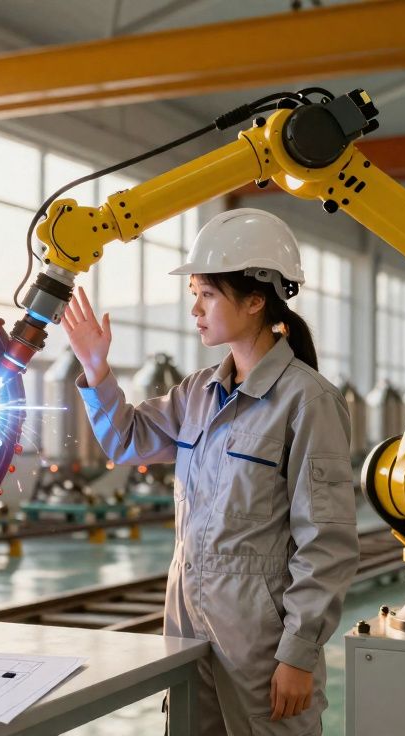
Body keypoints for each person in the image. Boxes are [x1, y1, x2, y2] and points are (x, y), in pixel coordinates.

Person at [61, 208, 359, 735]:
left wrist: (299, 653)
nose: (194, 309)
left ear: (254, 300)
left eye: (207, 294)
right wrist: (95, 368)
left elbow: (326, 541)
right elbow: (126, 439)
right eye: (193, 293)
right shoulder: (198, 392)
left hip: (258, 638)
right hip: (186, 622)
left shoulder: (307, 400)